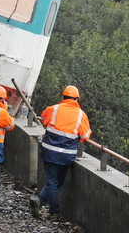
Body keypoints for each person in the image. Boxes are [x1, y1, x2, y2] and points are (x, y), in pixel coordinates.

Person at [30, 85, 91, 220]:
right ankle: (53, 211)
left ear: (63, 97)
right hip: (66, 155)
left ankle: (41, 201)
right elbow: (85, 136)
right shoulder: (81, 115)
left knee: (53, 182)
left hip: (49, 152)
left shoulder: (54, 109)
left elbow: (45, 121)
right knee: (57, 182)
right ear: (77, 99)